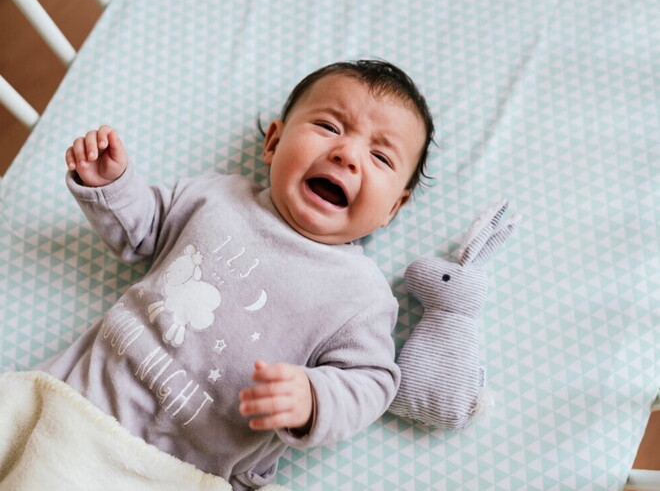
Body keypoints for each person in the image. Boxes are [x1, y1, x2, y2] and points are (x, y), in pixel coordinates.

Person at [42, 59, 435, 490]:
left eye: (380, 156)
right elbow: (143, 229)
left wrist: (314, 398)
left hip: (189, 468)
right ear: (274, 142)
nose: (347, 154)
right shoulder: (216, 197)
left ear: (393, 207)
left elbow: (372, 382)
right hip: (80, 404)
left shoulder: (361, 295)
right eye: (328, 127)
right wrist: (112, 185)